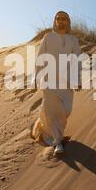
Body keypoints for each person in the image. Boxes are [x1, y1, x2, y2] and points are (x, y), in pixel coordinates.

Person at [30, 11, 82, 155]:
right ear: (55, 21)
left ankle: (41, 127)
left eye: (64, 19)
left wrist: (77, 79)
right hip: (49, 80)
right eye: (58, 18)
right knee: (52, 111)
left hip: (66, 82)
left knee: (65, 110)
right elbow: (40, 58)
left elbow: (77, 61)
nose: (61, 21)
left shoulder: (73, 40)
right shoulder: (48, 37)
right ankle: (57, 141)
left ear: (68, 22)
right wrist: (36, 78)